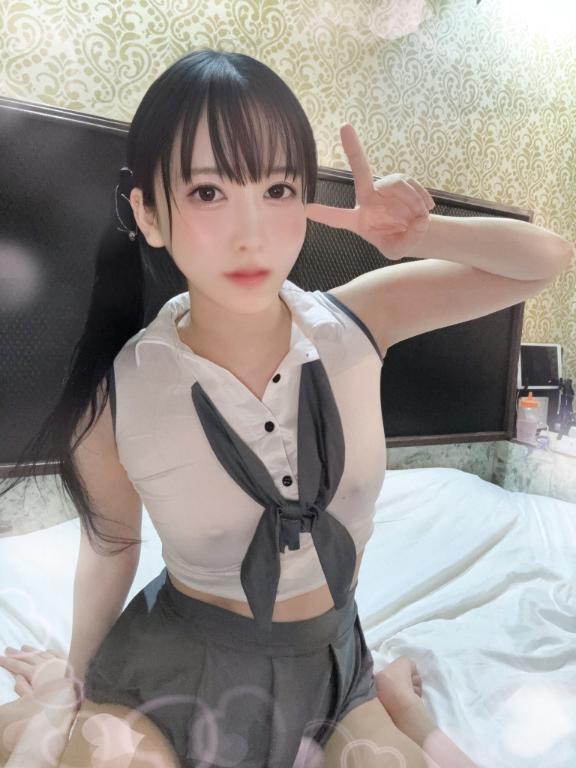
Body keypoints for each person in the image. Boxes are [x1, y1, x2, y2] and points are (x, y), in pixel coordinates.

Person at [0, 48, 482, 768]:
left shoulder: (355, 325)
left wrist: (422, 235)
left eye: (278, 188)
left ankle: (400, 702)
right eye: (207, 192)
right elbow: (111, 546)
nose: (250, 231)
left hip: (327, 666)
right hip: (175, 666)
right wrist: (70, 682)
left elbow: (544, 260)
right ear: (149, 214)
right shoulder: (122, 394)